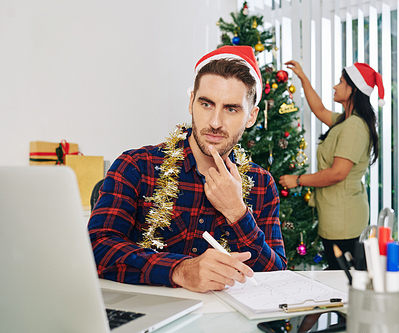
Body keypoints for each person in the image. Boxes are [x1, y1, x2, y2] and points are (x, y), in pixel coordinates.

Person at [88, 46, 287, 293]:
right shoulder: (136, 166)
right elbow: (97, 247)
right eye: (206, 104)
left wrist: (237, 212)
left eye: (231, 109)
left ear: (251, 116)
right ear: (191, 102)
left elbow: (277, 277)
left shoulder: (261, 183)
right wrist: (180, 270)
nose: (215, 122)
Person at [279, 60, 382, 270]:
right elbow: (319, 109)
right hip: (336, 214)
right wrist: (303, 78)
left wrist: (298, 180)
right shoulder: (347, 120)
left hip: (344, 219)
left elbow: (337, 173)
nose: (335, 86)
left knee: (344, 277)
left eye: (341, 82)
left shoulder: (354, 126)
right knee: (339, 274)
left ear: (353, 89)